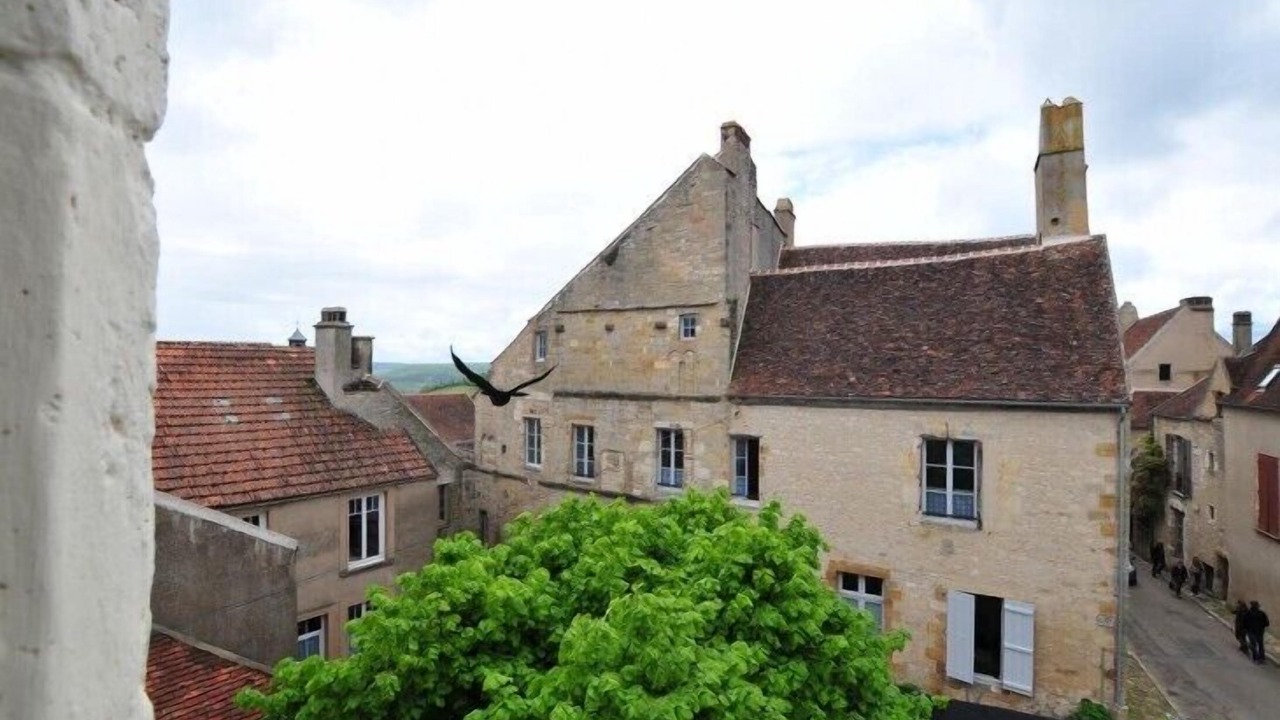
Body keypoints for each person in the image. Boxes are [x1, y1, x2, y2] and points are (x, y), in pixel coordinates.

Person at [1244, 601, 1271, 665]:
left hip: (1251, 631)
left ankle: (1256, 657)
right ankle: (1261, 658)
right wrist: (1262, 626)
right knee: (1260, 644)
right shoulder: (1262, 614)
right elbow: (1267, 623)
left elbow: (1244, 622)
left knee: (1253, 644)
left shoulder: (1248, 613)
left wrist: (1246, 629)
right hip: (1259, 631)